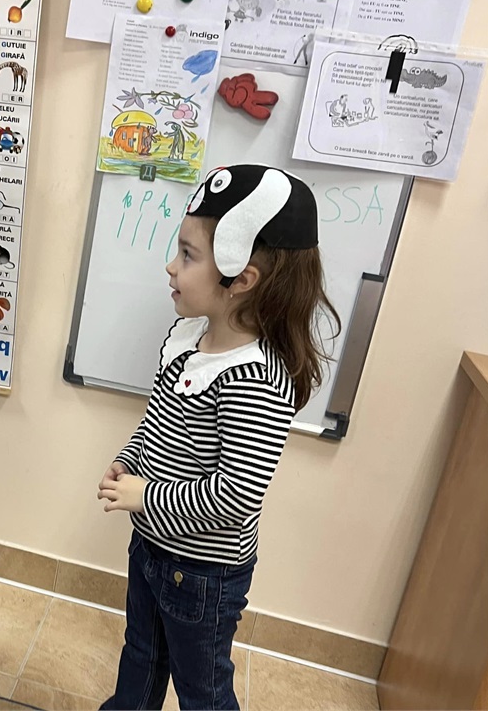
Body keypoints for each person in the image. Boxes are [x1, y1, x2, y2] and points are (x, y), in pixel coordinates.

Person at [97, 164, 340, 710]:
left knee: (202, 690)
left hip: (202, 576)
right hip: (151, 546)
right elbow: (157, 422)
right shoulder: (188, 338)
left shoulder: (256, 377)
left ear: (242, 278)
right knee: (140, 659)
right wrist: (128, 461)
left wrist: (145, 497)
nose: (171, 266)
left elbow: (237, 495)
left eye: (188, 255)